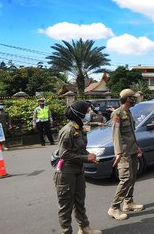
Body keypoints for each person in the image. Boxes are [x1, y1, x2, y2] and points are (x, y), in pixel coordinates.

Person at [54, 100, 101, 234]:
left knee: (80, 201)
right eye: (87, 111)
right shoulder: (68, 130)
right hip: (66, 172)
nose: (90, 113)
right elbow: (64, 154)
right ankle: (66, 232)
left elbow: (79, 149)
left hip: (78, 170)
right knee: (66, 207)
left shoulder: (80, 128)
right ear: (79, 113)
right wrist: (86, 158)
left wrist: (89, 156)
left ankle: (84, 228)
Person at [108, 89, 144, 220]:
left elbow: (131, 133)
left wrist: (137, 147)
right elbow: (116, 134)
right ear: (129, 99)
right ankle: (114, 207)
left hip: (132, 150)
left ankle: (128, 202)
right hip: (123, 152)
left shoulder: (128, 112)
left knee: (133, 176)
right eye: (133, 98)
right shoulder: (117, 113)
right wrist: (118, 152)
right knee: (125, 178)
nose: (135, 99)